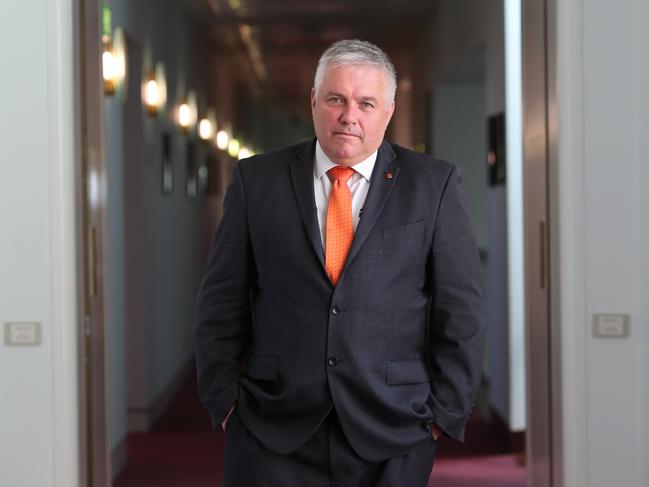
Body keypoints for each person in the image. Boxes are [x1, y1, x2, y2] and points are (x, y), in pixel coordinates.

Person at [194, 39, 486, 486]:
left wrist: (444, 413)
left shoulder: (433, 183)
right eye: (336, 99)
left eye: (366, 103)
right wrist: (225, 401)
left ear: (388, 111)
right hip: (273, 425)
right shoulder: (257, 180)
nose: (349, 116)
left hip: (394, 426)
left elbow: (461, 307)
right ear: (313, 101)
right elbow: (220, 301)